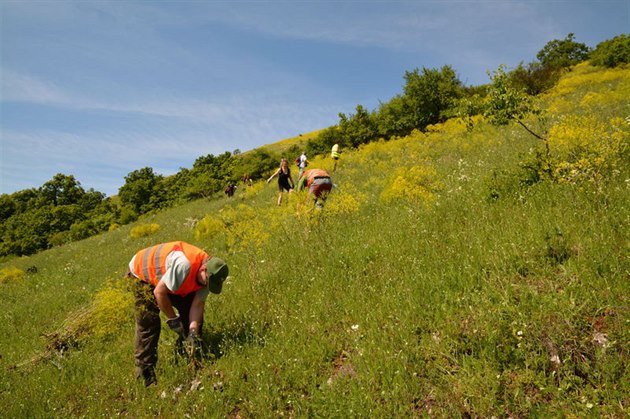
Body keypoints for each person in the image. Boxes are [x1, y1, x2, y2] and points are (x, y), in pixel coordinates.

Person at [127, 241, 229, 386]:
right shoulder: (184, 265)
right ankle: (145, 375)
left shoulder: (209, 278)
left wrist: (193, 332)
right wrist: (173, 320)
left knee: (190, 317)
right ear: (203, 269)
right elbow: (159, 292)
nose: (207, 286)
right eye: (207, 281)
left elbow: (197, 305)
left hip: (169, 278)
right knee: (149, 323)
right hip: (141, 274)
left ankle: (187, 356)